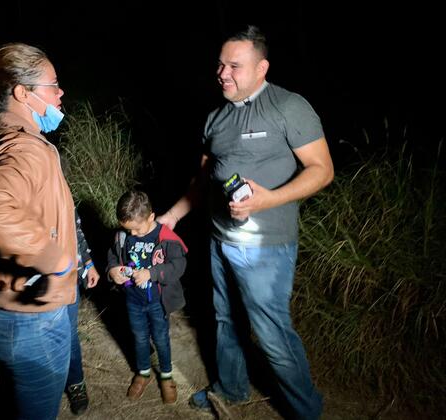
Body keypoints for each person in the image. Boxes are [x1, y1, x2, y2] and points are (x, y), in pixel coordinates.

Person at [157, 25, 334, 419]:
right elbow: (201, 183)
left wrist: (269, 198)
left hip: (266, 247)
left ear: (261, 68)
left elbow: (322, 170)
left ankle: (307, 411)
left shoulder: (288, 107)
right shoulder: (215, 119)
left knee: (271, 332)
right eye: (220, 64)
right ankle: (231, 389)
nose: (222, 73)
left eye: (234, 65)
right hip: (221, 239)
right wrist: (167, 219)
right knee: (225, 319)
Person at [0, 42, 81, 419]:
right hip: (33, 318)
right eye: (53, 84)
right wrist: (55, 259)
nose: (61, 92)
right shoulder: (25, 149)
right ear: (23, 93)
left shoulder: (0, 136)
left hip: (6, 309)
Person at [107, 190, 188, 405]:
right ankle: (143, 372)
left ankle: (166, 375)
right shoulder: (123, 235)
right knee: (139, 337)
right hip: (133, 300)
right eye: (128, 228)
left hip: (157, 302)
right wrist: (112, 270)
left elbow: (178, 266)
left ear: (151, 217)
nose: (133, 233)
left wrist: (151, 273)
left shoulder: (165, 238)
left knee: (161, 339)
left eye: (137, 228)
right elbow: (113, 256)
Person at [66, 207, 100, 415]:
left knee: (69, 333)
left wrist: (88, 264)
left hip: (68, 278)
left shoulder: (62, 190)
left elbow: (76, 231)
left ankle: (75, 383)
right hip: (35, 282)